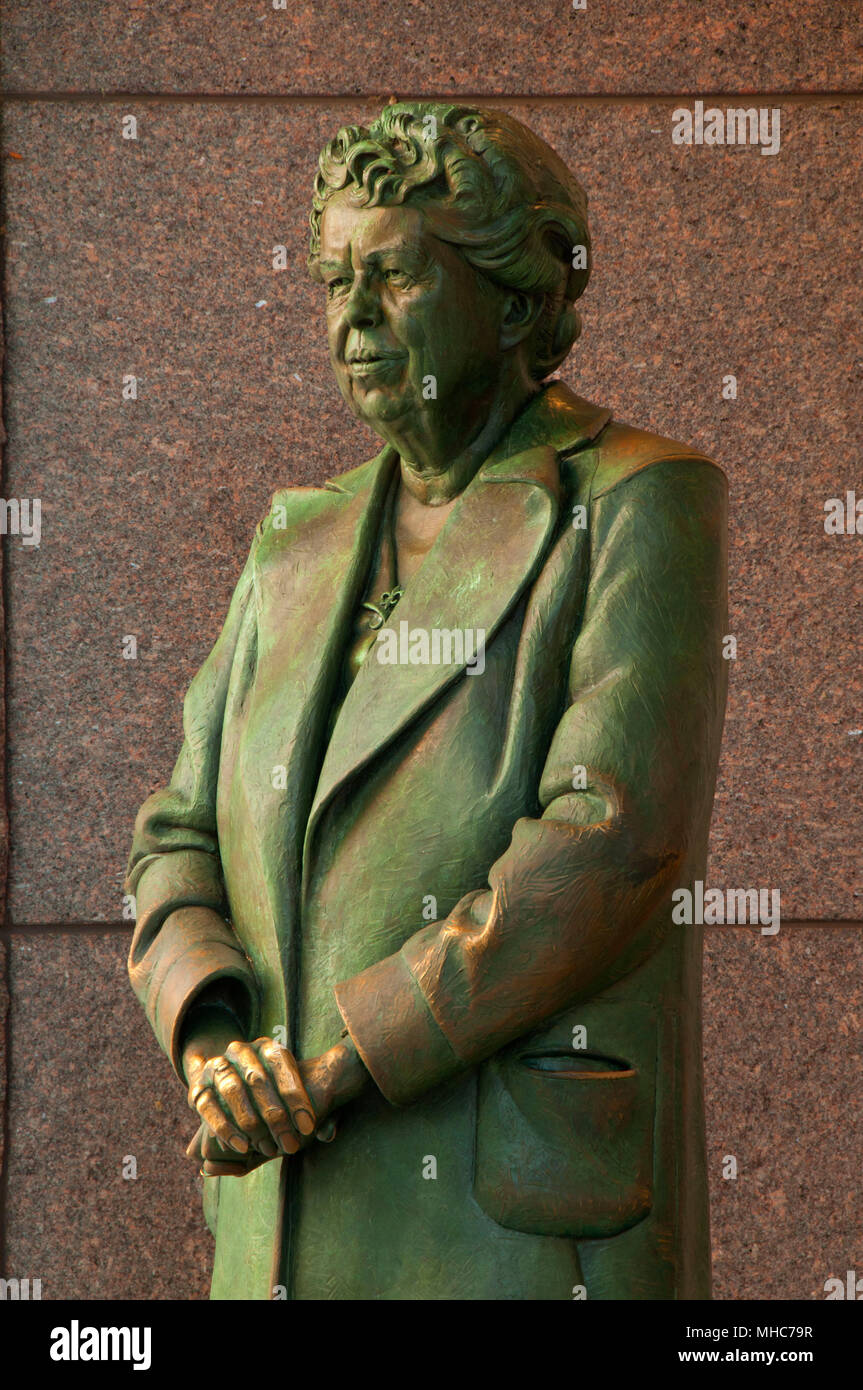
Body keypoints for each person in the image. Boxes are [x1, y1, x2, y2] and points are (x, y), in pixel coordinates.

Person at [126, 102, 728, 1300]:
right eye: (330, 279)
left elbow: (604, 852)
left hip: (506, 1221)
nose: (349, 317)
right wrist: (212, 1041)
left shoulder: (634, 500)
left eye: (392, 277)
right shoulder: (297, 537)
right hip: (274, 1207)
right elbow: (176, 832)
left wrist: (343, 1060)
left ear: (513, 302)